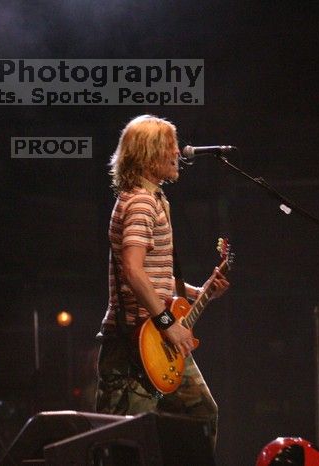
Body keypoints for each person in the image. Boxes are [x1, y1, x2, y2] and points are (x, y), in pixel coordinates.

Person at [95, 115, 230, 450]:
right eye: (169, 146)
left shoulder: (154, 199)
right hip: (133, 343)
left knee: (201, 414)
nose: (177, 153)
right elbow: (133, 270)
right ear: (149, 154)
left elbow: (152, 275)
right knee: (123, 447)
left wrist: (198, 293)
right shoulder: (141, 201)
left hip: (158, 342)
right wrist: (169, 323)